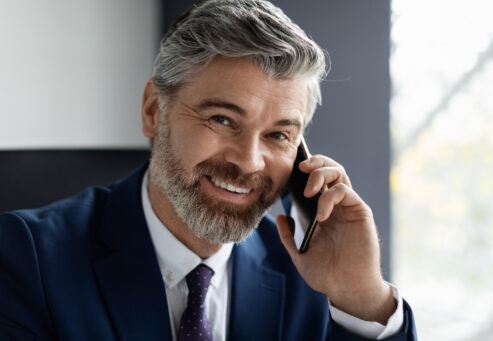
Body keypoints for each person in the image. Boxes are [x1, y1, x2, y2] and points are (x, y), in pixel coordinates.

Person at [0, 1, 416, 340]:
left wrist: (362, 298)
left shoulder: (313, 276)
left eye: (278, 136)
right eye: (222, 120)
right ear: (153, 111)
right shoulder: (27, 257)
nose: (248, 161)